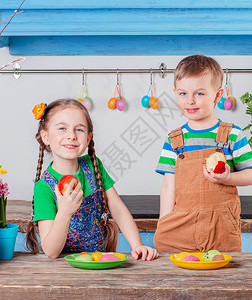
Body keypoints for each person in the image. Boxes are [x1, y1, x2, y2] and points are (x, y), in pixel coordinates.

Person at [26, 99, 158, 260]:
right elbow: (51, 251)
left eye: (79, 130)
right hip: (62, 270)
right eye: (62, 128)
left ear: (88, 139)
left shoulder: (93, 166)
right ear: (45, 137)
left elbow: (118, 209)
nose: (71, 136)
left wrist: (137, 245)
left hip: (98, 261)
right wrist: (64, 213)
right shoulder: (44, 187)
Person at [154, 55, 252, 252]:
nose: (190, 101)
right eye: (183, 93)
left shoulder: (232, 134)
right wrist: (164, 223)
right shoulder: (173, 140)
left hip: (221, 227)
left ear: (217, 96)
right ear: (175, 93)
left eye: (200, 94)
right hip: (181, 225)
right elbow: (168, 186)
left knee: (221, 276)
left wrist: (228, 178)